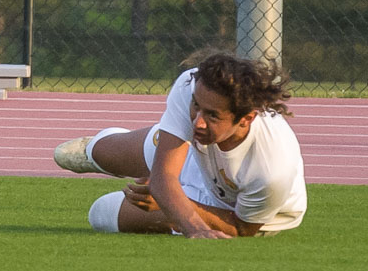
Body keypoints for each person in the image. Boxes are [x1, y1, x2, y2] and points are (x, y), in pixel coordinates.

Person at [52, 51, 306, 238]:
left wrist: (183, 210)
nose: (198, 123)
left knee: (101, 214)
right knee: (96, 153)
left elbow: (243, 227)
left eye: (213, 116)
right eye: (196, 107)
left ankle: (175, 193)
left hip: (230, 210)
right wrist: (189, 222)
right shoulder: (191, 86)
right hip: (195, 155)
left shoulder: (272, 171)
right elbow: (164, 176)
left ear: (247, 118)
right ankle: (96, 149)